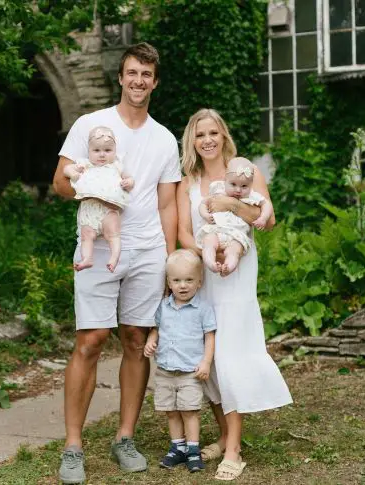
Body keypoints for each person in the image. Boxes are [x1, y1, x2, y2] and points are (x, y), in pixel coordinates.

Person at [51, 42, 181, 484]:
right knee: (91, 339)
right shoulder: (92, 124)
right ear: (121, 78)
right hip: (99, 247)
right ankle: (73, 446)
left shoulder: (164, 138)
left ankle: (124, 437)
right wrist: (94, 186)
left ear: (155, 82)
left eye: (146, 74)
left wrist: (170, 258)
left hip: (145, 250)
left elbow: (167, 206)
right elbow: (59, 183)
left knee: (134, 339)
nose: (138, 81)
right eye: (131, 73)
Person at [176, 108, 293, 481]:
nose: (207, 140)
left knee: (229, 353)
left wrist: (230, 205)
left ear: (223, 135)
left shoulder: (245, 171)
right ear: (192, 142)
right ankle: (225, 433)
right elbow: (182, 232)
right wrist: (202, 258)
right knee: (205, 356)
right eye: (200, 135)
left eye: (213, 132)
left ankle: (234, 449)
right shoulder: (188, 182)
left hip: (237, 273)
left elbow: (268, 220)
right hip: (203, 272)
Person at [143, 249, 216, 473]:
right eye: (177, 280)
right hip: (165, 370)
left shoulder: (202, 308)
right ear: (169, 282)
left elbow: (210, 336)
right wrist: (151, 340)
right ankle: (178, 448)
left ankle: (193, 450)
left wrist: (206, 362)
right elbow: (157, 329)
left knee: (189, 410)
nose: (183, 285)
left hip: (189, 371)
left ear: (199, 282)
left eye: (189, 280)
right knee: (171, 411)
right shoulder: (163, 307)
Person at [64, 126, 135, 272]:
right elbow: (66, 169)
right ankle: (87, 258)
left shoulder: (116, 165)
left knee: (113, 234)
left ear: (114, 151)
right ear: (89, 151)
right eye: (96, 150)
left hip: (110, 209)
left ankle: (114, 257)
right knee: (86, 236)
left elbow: (130, 178)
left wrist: (128, 183)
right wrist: (73, 173)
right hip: (89, 210)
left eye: (107, 151)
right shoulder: (85, 164)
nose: (102, 155)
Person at [196, 156, 273, 275]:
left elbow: (267, 205)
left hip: (237, 235)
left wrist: (263, 218)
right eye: (233, 184)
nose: (238, 190)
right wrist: (205, 214)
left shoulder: (251, 196)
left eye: (244, 186)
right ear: (225, 179)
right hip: (216, 229)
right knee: (208, 243)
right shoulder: (219, 189)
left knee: (234, 251)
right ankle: (211, 263)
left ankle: (228, 267)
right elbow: (203, 203)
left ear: (250, 185)